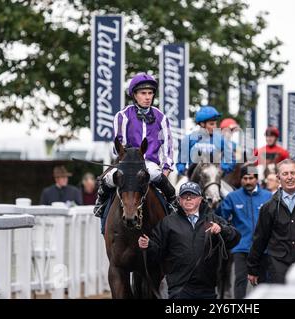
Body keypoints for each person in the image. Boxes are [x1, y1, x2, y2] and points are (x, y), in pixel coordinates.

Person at [138, 182, 240, 299]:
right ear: (179, 200)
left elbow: (235, 238)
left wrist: (222, 229)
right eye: (184, 196)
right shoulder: (167, 223)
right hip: (179, 289)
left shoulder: (213, 219)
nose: (188, 198)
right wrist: (148, 245)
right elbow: (158, 251)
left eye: (193, 195)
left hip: (207, 289)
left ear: (200, 199)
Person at [94, 72, 176, 217]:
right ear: (134, 95)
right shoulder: (123, 116)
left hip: (150, 164)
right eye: (143, 93)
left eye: (150, 93)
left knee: (158, 176)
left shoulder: (161, 117)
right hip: (127, 163)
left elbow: (168, 147)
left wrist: (166, 168)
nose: (147, 97)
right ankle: (100, 203)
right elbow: (118, 147)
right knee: (108, 179)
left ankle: (173, 205)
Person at [220, 165, 272, 299]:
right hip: (241, 247)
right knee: (240, 281)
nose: (248, 181)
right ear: (241, 179)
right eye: (245, 178)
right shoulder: (232, 197)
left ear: (257, 179)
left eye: (251, 178)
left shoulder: (268, 196)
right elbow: (221, 217)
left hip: (263, 248)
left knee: (263, 283)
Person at [176, 106, 236, 177]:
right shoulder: (188, 139)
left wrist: (222, 169)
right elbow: (180, 163)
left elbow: (230, 160)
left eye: (215, 123)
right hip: (194, 177)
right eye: (211, 124)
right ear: (202, 124)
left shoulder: (221, 140)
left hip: (214, 178)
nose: (215, 127)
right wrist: (185, 171)